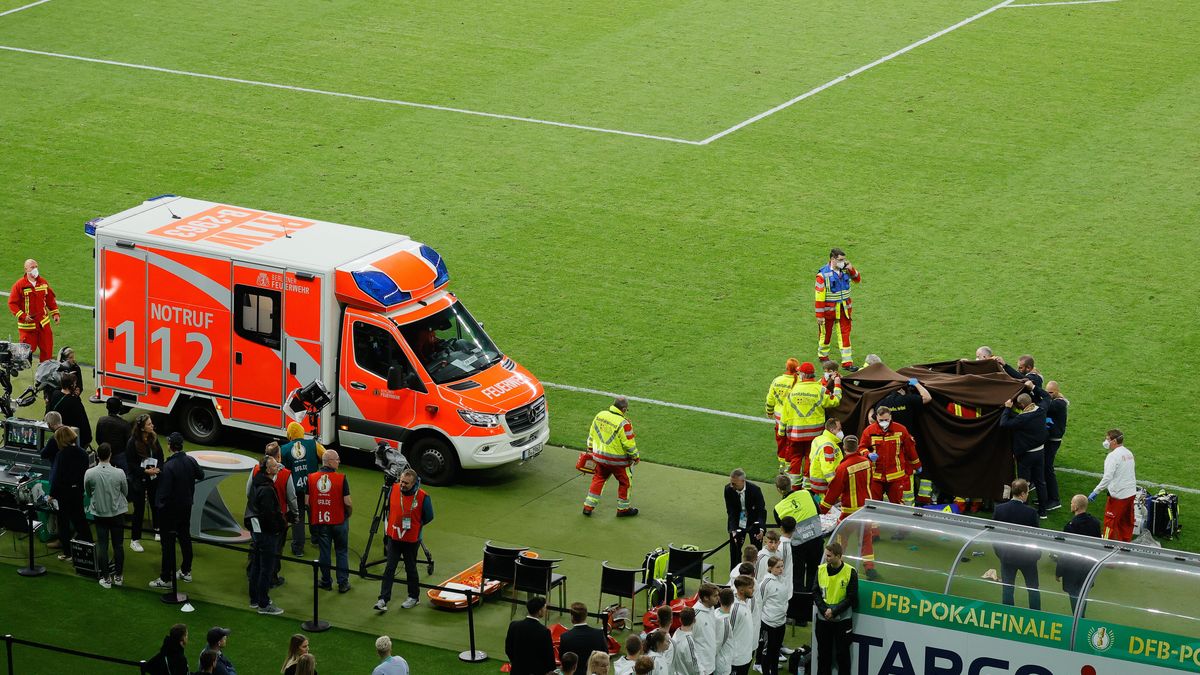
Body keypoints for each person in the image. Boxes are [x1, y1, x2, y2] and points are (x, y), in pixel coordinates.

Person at [374, 468, 434, 612]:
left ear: (414, 483)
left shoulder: (423, 496)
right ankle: (383, 599)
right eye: (401, 481)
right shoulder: (393, 489)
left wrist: (415, 526)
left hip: (411, 540)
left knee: (410, 568)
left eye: (406, 483)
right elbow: (390, 508)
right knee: (389, 568)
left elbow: (429, 516)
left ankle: (414, 597)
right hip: (394, 537)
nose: (402, 485)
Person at [151, 432, 203, 589]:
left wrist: (159, 507)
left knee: (167, 545)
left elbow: (163, 493)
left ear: (170, 446)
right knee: (185, 538)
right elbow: (200, 475)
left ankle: (166, 578)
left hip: (170, 511)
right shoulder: (190, 460)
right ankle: (186, 571)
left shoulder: (168, 467)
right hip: (186, 506)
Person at [779, 363, 841, 487]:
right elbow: (835, 401)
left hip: (795, 434)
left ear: (802, 374)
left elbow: (785, 413)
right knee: (809, 458)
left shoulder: (793, 390)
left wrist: (781, 431)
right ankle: (807, 487)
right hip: (814, 434)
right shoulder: (820, 389)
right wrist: (837, 384)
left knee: (795, 459)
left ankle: (794, 486)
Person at [245, 442, 296, 589]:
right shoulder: (285, 473)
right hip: (276, 519)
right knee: (275, 548)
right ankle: (271, 578)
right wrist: (295, 515)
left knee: (255, 544)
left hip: (256, 516)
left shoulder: (255, 469)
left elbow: (249, 491)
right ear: (278, 455)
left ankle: (252, 572)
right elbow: (291, 497)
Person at [773, 479, 822, 626]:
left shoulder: (778, 508)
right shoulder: (806, 493)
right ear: (791, 485)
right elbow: (818, 511)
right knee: (814, 575)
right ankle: (812, 611)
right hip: (816, 540)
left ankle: (800, 618)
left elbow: (784, 528)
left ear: (778, 489)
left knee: (798, 578)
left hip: (798, 545)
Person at [582, 396, 640, 517]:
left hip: (599, 457)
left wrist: (591, 448)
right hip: (618, 462)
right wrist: (635, 457)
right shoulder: (624, 423)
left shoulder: (600, 415)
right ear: (624, 409)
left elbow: (592, 434)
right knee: (625, 483)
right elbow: (629, 444)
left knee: (598, 479)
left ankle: (588, 507)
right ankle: (623, 509)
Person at [992, 479, 1042, 610]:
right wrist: (1036, 555)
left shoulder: (999, 510)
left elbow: (993, 535)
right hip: (1028, 558)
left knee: (1007, 589)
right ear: (1023, 494)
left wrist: (1000, 553)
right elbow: (1037, 537)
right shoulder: (1031, 513)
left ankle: (1008, 616)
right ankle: (1035, 616)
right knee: (1033, 589)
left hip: (1007, 556)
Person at [85, 442, 128, 588]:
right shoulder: (119, 473)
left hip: (100, 513)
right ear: (110, 455)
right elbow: (125, 492)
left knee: (103, 545)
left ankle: (106, 578)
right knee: (118, 545)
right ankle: (119, 576)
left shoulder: (90, 473)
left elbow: (88, 491)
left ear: (97, 456)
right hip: (117, 513)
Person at [308, 450, 352, 592]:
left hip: (321, 521)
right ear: (329, 461)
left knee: (324, 552)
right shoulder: (341, 478)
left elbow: (307, 502)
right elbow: (348, 502)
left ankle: (326, 581)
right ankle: (343, 583)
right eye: (337, 459)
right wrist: (348, 514)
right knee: (341, 551)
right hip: (339, 521)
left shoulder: (312, 478)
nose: (339, 461)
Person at [247, 455, 286, 614]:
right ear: (269, 470)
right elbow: (269, 515)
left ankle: (255, 599)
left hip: (257, 531)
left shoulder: (257, 484)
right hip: (267, 533)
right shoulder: (267, 489)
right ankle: (264, 604)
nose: (278, 467)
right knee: (266, 568)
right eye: (275, 466)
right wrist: (279, 527)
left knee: (256, 565)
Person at [1000, 394, 1049, 518]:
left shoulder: (1022, 418)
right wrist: (1033, 387)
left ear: (1022, 405)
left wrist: (1007, 408)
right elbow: (1047, 397)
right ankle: (1043, 511)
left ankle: (1024, 510)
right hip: (1040, 452)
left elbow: (1004, 423)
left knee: (1023, 484)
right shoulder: (1041, 410)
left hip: (1026, 455)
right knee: (1040, 481)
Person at [280, 420, 325, 556]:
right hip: (312, 486)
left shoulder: (284, 448)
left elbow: (280, 469)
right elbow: (326, 456)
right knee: (314, 512)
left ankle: (298, 548)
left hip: (295, 488)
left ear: (289, 435)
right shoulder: (313, 444)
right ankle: (316, 538)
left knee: (297, 517)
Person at [813, 542, 858, 675]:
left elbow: (852, 597)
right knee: (823, 654)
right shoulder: (820, 569)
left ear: (839, 556)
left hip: (842, 620)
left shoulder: (850, 572)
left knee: (842, 655)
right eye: (826, 555)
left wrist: (834, 611)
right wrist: (824, 610)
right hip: (823, 619)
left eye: (829, 556)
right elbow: (815, 592)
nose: (826, 558)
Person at [861, 407, 921, 506]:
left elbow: (910, 449)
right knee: (874, 505)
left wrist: (917, 465)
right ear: (876, 417)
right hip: (876, 476)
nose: (884, 422)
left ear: (890, 417)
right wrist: (868, 454)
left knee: (897, 505)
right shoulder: (869, 431)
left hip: (896, 476)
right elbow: (861, 447)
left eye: (886, 420)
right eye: (881, 420)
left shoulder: (901, 430)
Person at [815, 248, 861, 370]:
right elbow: (819, 297)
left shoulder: (846, 270)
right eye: (840, 260)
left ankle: (847, 362)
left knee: (845, 334)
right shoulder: (822, 275)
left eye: (844, 259)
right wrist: (819, 316)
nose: (843, 262)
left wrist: (851, 268)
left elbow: (857, 279)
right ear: (832, 259)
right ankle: (823, 355)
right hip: (828, 311)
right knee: (826, 333)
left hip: (844, 309)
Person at [49, 425, 91, 560]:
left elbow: (57, 476)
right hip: (78, 491)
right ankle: (88, 548)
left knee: (63, 523)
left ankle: (67, 553)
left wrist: (52, 494)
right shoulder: (83, 453)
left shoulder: (61, 455)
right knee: (81, 521)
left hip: (64, 493)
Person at [1056, 494, 1102, 613]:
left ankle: (1077, 618)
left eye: (1072, 503)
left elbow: (1065, 552)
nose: (1070, 505)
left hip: (1073, 568)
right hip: (1088, 566)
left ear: (1076, 507)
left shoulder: (1070, 526)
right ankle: (1081, 616)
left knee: (1074, 594)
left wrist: (1058, 571)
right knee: (1083, 593)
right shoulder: (1096, 523)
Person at [1089, 429, 1136, 542]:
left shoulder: (1113, 456)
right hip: (1131, 493)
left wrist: (1096, 491)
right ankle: (1125, 544)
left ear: (1114, 441)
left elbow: (1107, 477)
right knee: (1126, 522)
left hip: (1118, 496)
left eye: (1107, 439)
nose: (1106, 441)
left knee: (1109, 523)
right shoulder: (1128, 453)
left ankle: (1105, 544)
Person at [9, 258, 60, 362]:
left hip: (43, 324)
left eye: (36, 267)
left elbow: (50, 299)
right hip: (28, 327)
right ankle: (12, 366)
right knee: (23, 355)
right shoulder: (19, 285)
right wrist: (23, 316)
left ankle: (44, 372)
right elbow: (12, 304)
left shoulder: (43, 283)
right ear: (26, 269)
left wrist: (55, 313)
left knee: (47, 351)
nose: (35, 269)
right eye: (32, 267)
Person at [126, 414, 164, 552]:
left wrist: (159, 468)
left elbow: (160, 456)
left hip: (154, 478)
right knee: (139, 509)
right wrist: (145, 472)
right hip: (139, 480)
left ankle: (157, 529)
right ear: (142, 428)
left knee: (155, 504)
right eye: (149, 424)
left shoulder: (153, 438)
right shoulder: (132, 443)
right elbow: (130, 464)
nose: (152, 426)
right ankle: (134, 540)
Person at [724, 469, 766, 571]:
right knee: (734, 551)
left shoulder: (755, 490)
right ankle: (734, 575)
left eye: (734, 483)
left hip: (753, 522)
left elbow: (761, 510)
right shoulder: (728, 489)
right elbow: (731, 511)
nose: (731, 485)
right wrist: (733, 530)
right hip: (738, 522)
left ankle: (756, 573)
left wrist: (761, 528)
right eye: (731, 482)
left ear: (743, 481)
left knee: (756, 550)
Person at [765, 359, 801, 474]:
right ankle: (789, 465)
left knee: (781, 440)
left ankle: (782, 464)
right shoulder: (799, 382)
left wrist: (769, 412)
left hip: (779, 418)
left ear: (786, 367)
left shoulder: (777, 380)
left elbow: (770, 399)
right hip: (793, 418)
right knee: (791, 442)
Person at [505, 595, 557, 675]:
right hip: (536, 671)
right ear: (539, 611)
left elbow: (508, 649)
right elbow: (548, 655)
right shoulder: (544, 631)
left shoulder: (514, 625)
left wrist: (515, 662)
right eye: (544, 608)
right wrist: (551, 670)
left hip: (517, 670)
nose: (546, 610)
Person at [756, 557, 789, 675]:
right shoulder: (765, 584)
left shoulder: (783, 580)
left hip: (781, 622)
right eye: (778, 567)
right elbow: (760, 604)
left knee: (776, 651)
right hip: (768, 623)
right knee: (767, 652)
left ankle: (774, 672)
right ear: (770, 568)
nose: (781, 569)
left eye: (782, 566)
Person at [1042, 381, 1069, 511]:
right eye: (1046, 391)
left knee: (1048, 468)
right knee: (1044, 467)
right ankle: (1047, 496)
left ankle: (1054, 499)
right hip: (1049, 439)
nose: (1048, 394)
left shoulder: (1058, 403)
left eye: (1050, 392)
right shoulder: (1055, 401)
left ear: (1057, 391)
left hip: (1053, 440)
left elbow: (1045, 406)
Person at [560, 603, 608, 670]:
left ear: (572, 617)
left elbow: (562, 658)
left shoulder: (565, 637)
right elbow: (605, 655)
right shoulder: (599, 634)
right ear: (586, 615)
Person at [727, 575, 757, 675]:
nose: (753, 590)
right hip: (736, 659)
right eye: (750, 587)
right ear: (741, 590)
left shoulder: (746, 603)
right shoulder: (735, 609)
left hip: (746, 655)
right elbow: (728, 633)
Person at [806, 419, 843, 498]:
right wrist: (836, 488)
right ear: (832, 430)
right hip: (825, 485)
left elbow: (810, 457)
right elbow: (828, 470)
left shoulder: (818, 439)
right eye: (839, 429)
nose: (841, 432)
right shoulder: (828, 446)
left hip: (817, 482)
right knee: (825, 508)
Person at [95, 397, 132, 470]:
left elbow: (98, 439)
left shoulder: (101, 420)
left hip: (104, 454)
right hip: (120, 456)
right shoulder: (125, 424)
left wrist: (105, 449)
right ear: (120, 408)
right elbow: (129, 444)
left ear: (107, 407)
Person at [691, 584, 719, 675]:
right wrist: (700, 668)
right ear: (706, 598)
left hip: (710, 662)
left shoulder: (711, 607)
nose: (718, 598)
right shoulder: (694, 616)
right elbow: (690, 643)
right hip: (701, 668)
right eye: (715, 596)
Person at [672, 606, 701, 675]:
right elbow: (694, 667)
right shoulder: (689, 642)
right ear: (694, 620)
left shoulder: (675, 635)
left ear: (680, 620)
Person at [713, 588, 735, 675]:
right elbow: (718, 645)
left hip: (718, 662)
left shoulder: (714, 612)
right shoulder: (725, 622)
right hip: (722, 665)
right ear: (732, 601)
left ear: (719, 600)